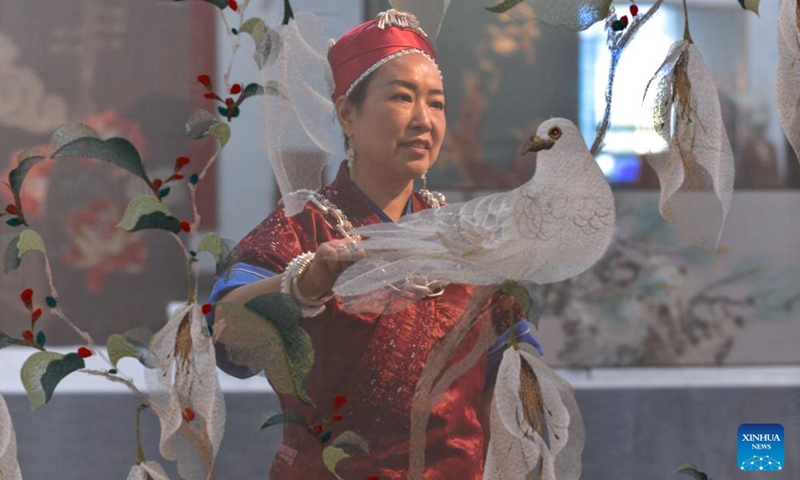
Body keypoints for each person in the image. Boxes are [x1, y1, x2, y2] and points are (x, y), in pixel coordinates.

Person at [209, 9, 541, 479]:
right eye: (403, 98)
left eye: (437, 103)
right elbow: (225, 335)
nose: (423, 120)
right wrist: (303, 284)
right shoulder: (301, 230)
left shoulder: (465, 243)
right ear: (347, 113)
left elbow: (509, 382)